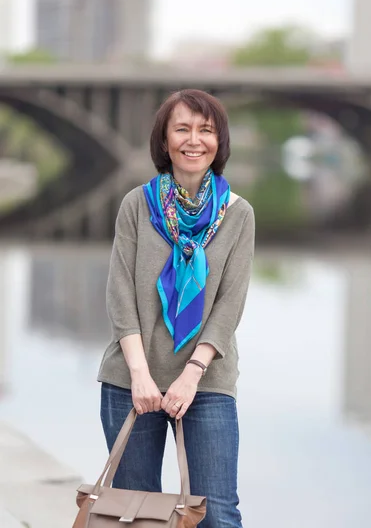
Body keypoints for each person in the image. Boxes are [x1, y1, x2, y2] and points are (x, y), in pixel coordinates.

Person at [98, 89, 255, 528]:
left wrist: (191, 375)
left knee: (217, 513)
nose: (194, 140)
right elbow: (120, 295)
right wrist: (140, 375)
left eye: (206, 130)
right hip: (132, 379)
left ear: (219, 142)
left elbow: (230, 304)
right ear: (164, 141)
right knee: (135, 514)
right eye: (181, 128)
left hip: (206, 381)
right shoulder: (136, 204)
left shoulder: (239, 214)